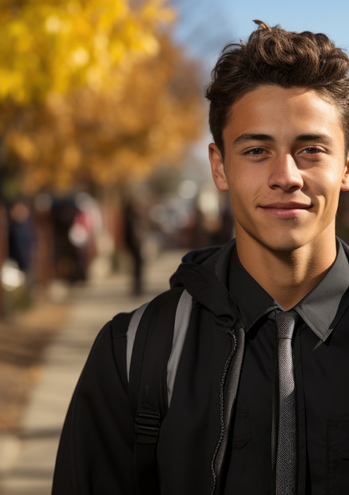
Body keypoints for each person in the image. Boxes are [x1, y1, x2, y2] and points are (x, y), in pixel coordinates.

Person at [52, 21, 349, 494]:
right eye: (256, 150)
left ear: (346, 166)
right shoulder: (133, 353)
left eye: (311, 149)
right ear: (219, 167)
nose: (285, 175)